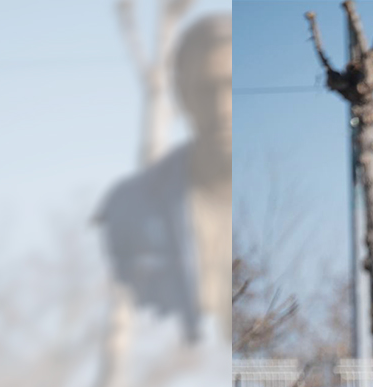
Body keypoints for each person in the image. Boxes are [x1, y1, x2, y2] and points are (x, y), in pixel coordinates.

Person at [92, 13, 232, 387]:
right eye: (206, 89)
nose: (221, 108)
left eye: (232, 87)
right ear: (183, 95)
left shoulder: (274, 203)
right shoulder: (128, 209)